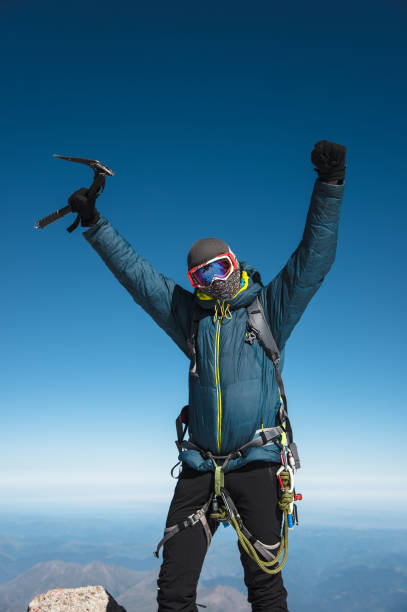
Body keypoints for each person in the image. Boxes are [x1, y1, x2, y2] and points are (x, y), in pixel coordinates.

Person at [68, 139, 347, 611]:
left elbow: (313, 259)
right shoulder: (191, 320)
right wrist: (95, 224)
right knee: (174, 590)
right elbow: (139, 277)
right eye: (200, 276)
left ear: (236, 265)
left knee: (265, 589)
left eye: (219, 268)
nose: (212, 281)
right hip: (199, 467)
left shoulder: (267, 312)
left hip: (257, 464)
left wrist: (330, 184)